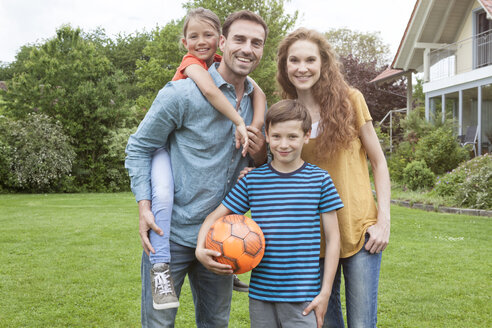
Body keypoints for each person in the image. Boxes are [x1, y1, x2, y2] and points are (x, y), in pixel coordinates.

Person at [125, 10, 268, 327]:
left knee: (216, 322)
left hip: (223, 240)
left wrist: (260, 157)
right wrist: (144, 206)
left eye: (256, 43)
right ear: (222, 42)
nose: (247, 48)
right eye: (240, 39)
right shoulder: (181, 94)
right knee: (159, 322)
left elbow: (259, 165)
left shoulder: (257, 101)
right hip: (167, 239)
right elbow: (138, 148)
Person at [276, 28, 391, 328]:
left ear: (324, 63)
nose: (302, 68)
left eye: (310, 60)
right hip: (312, 239)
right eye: (294, 60)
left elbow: (379, 163)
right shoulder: (288, 114)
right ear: (284, 66)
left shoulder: (351, 100)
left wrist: (384, 221)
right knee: (323, 322)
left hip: (359, 232)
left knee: (362, 323)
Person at [196, 99, 344, 328]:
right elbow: (213, 217)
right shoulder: (253, 181)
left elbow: (334, 239)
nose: (284, 144)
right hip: (261, 297)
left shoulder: (320, 180)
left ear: (306, 136)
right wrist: (200, 250)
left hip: (303, 298)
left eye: (292, 137)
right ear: (267, 135)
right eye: (276, 136)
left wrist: (325, 293)